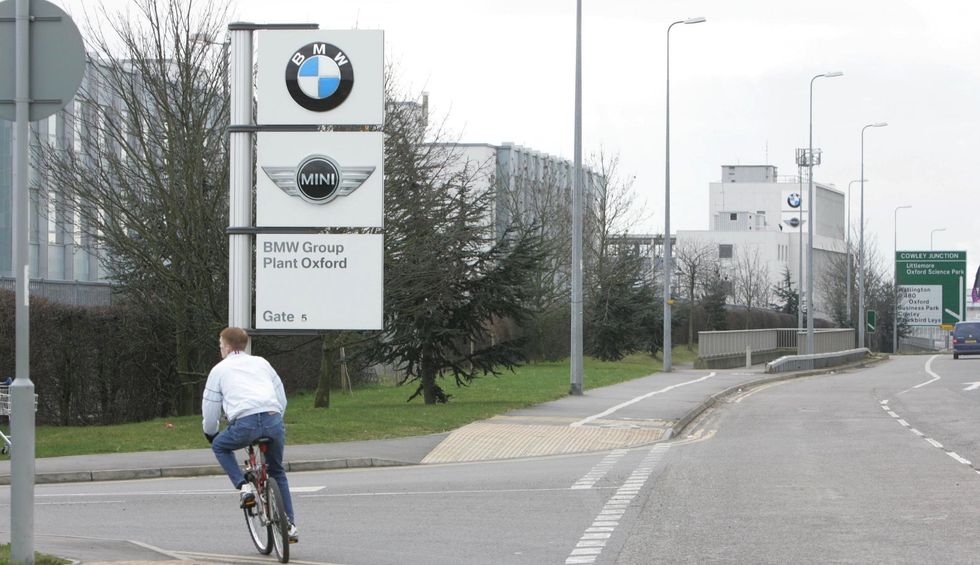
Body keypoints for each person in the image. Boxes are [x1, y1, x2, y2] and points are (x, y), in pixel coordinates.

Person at [202, 326, 298, 543]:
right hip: (273, 419)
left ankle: (243, 486)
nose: (220, 349)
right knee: (277, 471)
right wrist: (277, 419)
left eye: (220, 345)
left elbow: (210, 409)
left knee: (219, 446)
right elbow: (280, 396)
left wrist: (211, 433)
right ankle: (290, 524)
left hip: (245, 424)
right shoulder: (262, 362)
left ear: (226, 346)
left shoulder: (219, 370)